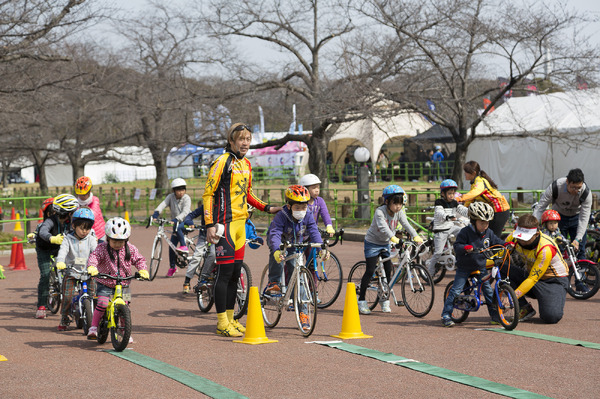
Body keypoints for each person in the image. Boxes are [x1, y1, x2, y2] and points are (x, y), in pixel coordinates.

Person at [203, 122, 281, 337]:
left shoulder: (246, 163)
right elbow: (208, 194)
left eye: (248, 139)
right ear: (232, 141)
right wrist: (209, 224)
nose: (245, 143)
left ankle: (230, 320)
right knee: (225, 274)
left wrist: (268, 207)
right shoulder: (222, 162)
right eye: (241, 139)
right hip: (224, 225)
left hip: (241, 225)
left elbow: (248, 194)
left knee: (236, 274)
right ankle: (221, 323)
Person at [264, 185, 327, 331]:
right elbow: (275, 233)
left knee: (298, 278)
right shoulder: (282, 215)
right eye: (297, 207)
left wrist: (321, 248)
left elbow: (313, 230)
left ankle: (303, 313)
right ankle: (274, 281)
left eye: (304, 207)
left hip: (297, 243)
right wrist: (276, 249)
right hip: (280, 241)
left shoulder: (308, 214)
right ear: (289, 206)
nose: (301, 211)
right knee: (279, 255)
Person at [357, 185, 423, 315]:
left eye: (400, 203)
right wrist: (394, 238)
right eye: (395, 203)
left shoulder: (400, 211)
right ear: (387, 201)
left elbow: (406, 224)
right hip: (373, 243)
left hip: (386, 242)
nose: (398, 206)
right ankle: (362, 300)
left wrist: (415, 235)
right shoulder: (380, 212)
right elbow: (383, 228)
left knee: (388, 269)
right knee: (370, 271)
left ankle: (384, 298)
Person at [441, 202, 506, 327]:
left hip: (480, 265)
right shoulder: (465, 232)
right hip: (465, 266)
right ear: (473, 221)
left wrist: (505, 244)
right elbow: (457, 246)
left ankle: (494, 315)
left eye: (487, 223)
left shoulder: (489, 232)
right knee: (456, 290)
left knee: (488, 291)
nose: (485, 226)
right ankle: (446, 315)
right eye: (482, 223)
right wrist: (466, 247)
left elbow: (496, 241)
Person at [86, 217, 149, 340]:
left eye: (121, 241)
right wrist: (92, 267)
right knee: (103, 303)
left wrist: (143, 270)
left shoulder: (130, 249)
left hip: (124, 284)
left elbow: (139, 259)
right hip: (105, 282)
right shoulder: (102, 248)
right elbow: (94, 257)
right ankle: (93, 327)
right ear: (108, 239)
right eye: (114, 241)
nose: (118, 244)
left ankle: (124, 331)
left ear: (126, 240)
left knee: (124, 307)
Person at [505, 214, 569, 324]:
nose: (521, 241)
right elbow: (499, 257)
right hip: (531, 275)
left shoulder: (545, 248)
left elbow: (532, 279)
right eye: (519, 236)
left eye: (526, 238)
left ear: (536, 234)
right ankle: (524, 307)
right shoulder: (514, 237)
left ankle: (548, 299)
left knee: (551, 316)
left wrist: (512, 297)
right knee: (501, 268)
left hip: (553, 281)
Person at [34, 194, 78, 319]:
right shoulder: (51, 220)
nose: (74, 214)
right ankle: (41, 306)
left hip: (60, 248)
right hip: (44, 248)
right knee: (46, 275)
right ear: (66, 212)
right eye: (72, 211)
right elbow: (43, 231)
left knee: (71, 270)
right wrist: (51, 238)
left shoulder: (71, 222)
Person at [532, 168, 592, 260]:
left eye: (578, 188)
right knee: (557, 250)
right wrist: (534, 226)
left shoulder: (586, 192)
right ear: (567, 181)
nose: (576, 190)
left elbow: (584, 217)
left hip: (577, 218)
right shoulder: (556, 186)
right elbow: (541, 207)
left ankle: (580, 273)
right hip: (558, 218)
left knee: (580, 250)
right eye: (573, 187)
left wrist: (577, 239)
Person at [55, 208, 98, 331]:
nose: (85, 231)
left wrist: (96, 265)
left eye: (88, 228)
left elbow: (96, 253)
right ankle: (65, 316)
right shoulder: (68, 239)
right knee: (67, 295)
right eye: (82, 228)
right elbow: (62, 252)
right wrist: (61, 262)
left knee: (93, 295)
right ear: (74, 225)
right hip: (72, 271)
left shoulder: (91, 239)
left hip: (88, 272)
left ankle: (95, 318)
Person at [425, 179, 468, 276]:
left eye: (453, 193)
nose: (452, 195)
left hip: (451, 227)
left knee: (463, 231)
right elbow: (440, 213)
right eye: (449, 193)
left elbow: (461, 209)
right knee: (438, 253)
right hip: (441, 230)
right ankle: (430, 272)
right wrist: (447, 217)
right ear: (443, 193)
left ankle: (460, 249)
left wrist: (471, 212)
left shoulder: (454, 202)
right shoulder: (439, 202)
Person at [457, 160, 510, 237]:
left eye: (466, 172)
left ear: (474, 173)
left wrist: (459, 198)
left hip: (500, 210)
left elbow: (475, 193)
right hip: (493, 211)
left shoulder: (480, 181)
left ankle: (505, 245)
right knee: (485, 235)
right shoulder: (474, 182)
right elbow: (471, 200)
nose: (464, 174)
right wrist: (460, 209)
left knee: (492, 237)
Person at [152, 177, 192, 277]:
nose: (181, 192)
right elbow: (163, 204)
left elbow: (185, 211)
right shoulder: (170, 197)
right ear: (174, 191)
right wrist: (156, 213)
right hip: (176, 224)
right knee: (172, 246)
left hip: (186, 222)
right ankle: (172, 267)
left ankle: (184, 246)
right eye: (178, 190)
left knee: (178, 228)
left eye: (183, 189)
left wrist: (176, 219)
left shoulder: (187, 198)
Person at [181, 200, 216, 294]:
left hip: (218, 236)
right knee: (197, 256)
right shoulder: (205, 207)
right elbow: (190, 215)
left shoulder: (223, 207)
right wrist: (189, 222)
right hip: (204, 236)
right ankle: (187, 281)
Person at [74, 176, 106, 241]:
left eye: (84, 195)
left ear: (89, 191)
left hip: (99, 234)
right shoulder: (76, 203)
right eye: (79, 194)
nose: (81, 197)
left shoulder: (95, 200)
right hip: (85, 234)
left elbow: (93, 213)